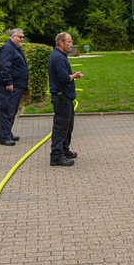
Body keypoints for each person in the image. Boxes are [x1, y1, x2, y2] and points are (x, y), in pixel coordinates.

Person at [48, 32, 84, 166]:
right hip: (61, 97)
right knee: (61, 126)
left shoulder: (60, 56)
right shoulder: (58, 57)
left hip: (65, 96)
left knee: (68, 125)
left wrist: (72, 75)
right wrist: (74, 76)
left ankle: (64, 150)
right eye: (69, 41)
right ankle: (56, 156)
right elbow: (63, 78)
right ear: (61, 42)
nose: (71, 44)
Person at [0, 28, 29, 145]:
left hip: (17, 85)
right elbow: (5, 66)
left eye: (23, 37)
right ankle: (4, 137)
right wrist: (8, 82)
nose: (22, 39)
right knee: (6, 110)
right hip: (9, 87)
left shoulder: (16, 49)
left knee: (12, 110)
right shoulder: (7, 48)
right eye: (20, 37)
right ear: (12, 36)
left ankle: (8, 133)